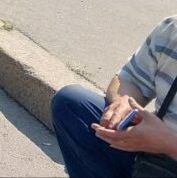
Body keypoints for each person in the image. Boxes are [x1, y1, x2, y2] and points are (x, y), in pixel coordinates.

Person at [52, 16, 177, 177]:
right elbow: (130, 80)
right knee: (71, 105)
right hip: (153, 153)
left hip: (164, 146)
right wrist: (123, 101)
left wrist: (169, 143)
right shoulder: (171, 30)